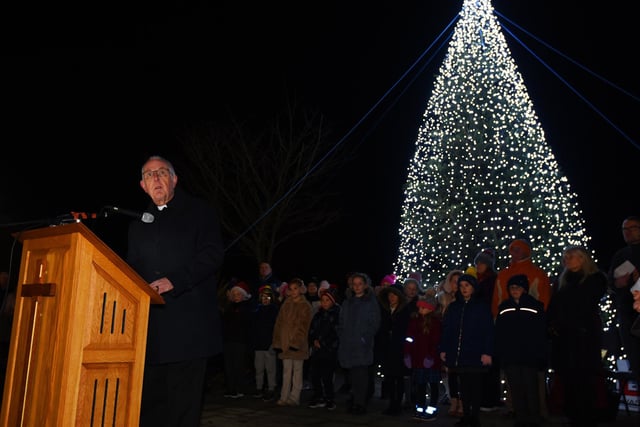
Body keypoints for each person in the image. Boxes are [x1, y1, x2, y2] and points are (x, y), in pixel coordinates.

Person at [126, 155, 224, 427]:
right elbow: (132, 268)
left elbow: (212, 255)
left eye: (161, 173)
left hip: (189, 330)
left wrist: (176, 280)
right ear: (142, 186)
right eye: (149, 175)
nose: (155, 179)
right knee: (150, 409)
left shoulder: (200, 212)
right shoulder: (137, 224)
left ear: (174, 179)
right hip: (150, 333)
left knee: (183, 410)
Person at [546, 246, 608, 427]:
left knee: (585, 377)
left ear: (582, 259)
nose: (567, 260)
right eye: (565, 257)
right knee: (568, 376)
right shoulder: (562, 280)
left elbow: (584, 303)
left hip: (584, 336)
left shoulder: (595, 279)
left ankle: (586, 415)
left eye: (571, 256)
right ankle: (573, 414)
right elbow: (554, 305)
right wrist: (551, 325)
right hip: (564, 337)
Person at [439, 268, 494, 427]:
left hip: (476, 353)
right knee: (464, 387)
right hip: (459, 354)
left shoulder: (481, 307)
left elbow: (488, 331)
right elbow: (447, 329)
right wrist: (444, 349)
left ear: (473, 287)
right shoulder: (455, 307)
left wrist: (487, 352)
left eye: (467, 285)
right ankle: (466, 415)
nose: (464, 288)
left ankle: (474, 417)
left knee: (475, 387)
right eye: (461, 285)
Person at [495, 274, 547, 427]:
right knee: (516, 388)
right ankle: (521, 417)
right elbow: (499, 332)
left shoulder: (535, 306)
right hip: (511, 356)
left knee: (531, 388)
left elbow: (541, 333)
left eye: (518, 287)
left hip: (530, 355)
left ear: (524, 289)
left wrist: (541, 355)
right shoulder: (504, 307)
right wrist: (500, 353)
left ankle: (534, 417)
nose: (515, 290)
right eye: (512, 287)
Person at [337, 272, 380, 415]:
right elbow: (342, 321)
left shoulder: (371, 302)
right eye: (354, 284)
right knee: (351, 375)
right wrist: (342, 334)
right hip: (348, 344)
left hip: (362, 345)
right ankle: (354, 399)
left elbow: (374, 323)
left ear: (365, 285)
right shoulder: (347, 302)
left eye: (360, 284)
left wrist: (364, 338)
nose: (357, 287)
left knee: (361, 375)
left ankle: (360, 403)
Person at [608, 216, 640, 381]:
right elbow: (610, 282)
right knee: (635, 360)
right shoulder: (621, 254)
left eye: (632, 228)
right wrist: (617, 283)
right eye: (624, 229)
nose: (628, 232)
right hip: (627, 312)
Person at [272, 278, 313, 406]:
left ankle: (294, 397)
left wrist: (296, 343)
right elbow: (278, 323)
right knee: (286, 371)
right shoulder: (286, 304)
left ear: (301, 289)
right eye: (291, 289)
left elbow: (304, 327)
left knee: (297, 371)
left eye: (296, 288)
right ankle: (284, 396)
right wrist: (278, 342)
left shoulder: (305, 305)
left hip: (298, 345)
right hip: (285, 344)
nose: (294, 291)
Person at [404, 295, 442, 421]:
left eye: (423, 308)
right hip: (417, 359)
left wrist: (431, 356)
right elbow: (409, 338)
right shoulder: (414, 321)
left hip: (431, 361)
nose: (420, 310)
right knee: (420, 385)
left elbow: (436, 342)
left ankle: (432, 409)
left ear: (430, 309)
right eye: (419, 307)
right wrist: (407, 354)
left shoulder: (435, 323)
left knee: (433, 384)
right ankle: (419, 408)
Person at [375, 283, 412, 416]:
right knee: (390, 378)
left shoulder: (404, 310)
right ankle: (392, 404)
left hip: (399, 349)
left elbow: (406, 330)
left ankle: (397, 404)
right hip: (387, 349)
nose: (392, 297)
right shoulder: (384, 310)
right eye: (390, 295)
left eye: (394, 295)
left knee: (399, 378)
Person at [473, 249, 501, 412]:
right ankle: (485, 397)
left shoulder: (491, 281)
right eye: (478, 262)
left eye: (482, 263)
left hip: (488, 322)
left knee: (490, 363)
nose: (479, 266)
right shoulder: (478, 280)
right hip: (480, 322)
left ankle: (490, 399)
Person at [307, 285, 341, 410]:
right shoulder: (318, 315)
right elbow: (312, 330)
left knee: (327, 376)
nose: (325, 303)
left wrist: (325, 343)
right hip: (317, 351)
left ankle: (330, 398)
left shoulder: (337, 315)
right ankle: (318, 396)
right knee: (315, 375)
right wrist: (313, 340)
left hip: (329, 351)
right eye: (323, 300)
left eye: (327, 300)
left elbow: (336, 333)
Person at [436, 269, 464, 417]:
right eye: (454, 281)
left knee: (463, 372)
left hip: (463, 340)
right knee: (450, 372)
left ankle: (463, 401)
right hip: (447, 338)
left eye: (459, 282)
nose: (456, 285)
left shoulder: (466, 299)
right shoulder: (442, 298)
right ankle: (453, 398)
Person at [221, 281, 254, 398]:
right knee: (229, 365)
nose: (236, 296)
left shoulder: (246, 308)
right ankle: (231, 388)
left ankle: (240, 388)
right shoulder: (228, 308)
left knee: (239, 365)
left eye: (238, 294)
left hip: (240, 341)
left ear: (243, 295)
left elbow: (248, 326)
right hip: (228, 341)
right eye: (234, 294)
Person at [251, 284, 280, 401]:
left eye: (267, 297)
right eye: (263, 297)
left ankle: (271, 388)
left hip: (269, 345)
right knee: (258, 368)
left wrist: (274, 343)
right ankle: (259, 387)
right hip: (258, 345)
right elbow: (253, 328)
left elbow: (277, 328)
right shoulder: (257, 310)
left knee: (270, 369)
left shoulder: (274, 310)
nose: (265, 299)